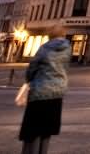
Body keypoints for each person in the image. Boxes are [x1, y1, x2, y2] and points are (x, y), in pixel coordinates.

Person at [19, 25, 71, 154]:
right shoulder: (67, 48)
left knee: (33, 129)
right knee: (47, 129)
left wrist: (29, 80)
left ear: (50, 35)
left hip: (40, 91)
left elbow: (33, 67)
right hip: (57, 92)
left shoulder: (45, 48)